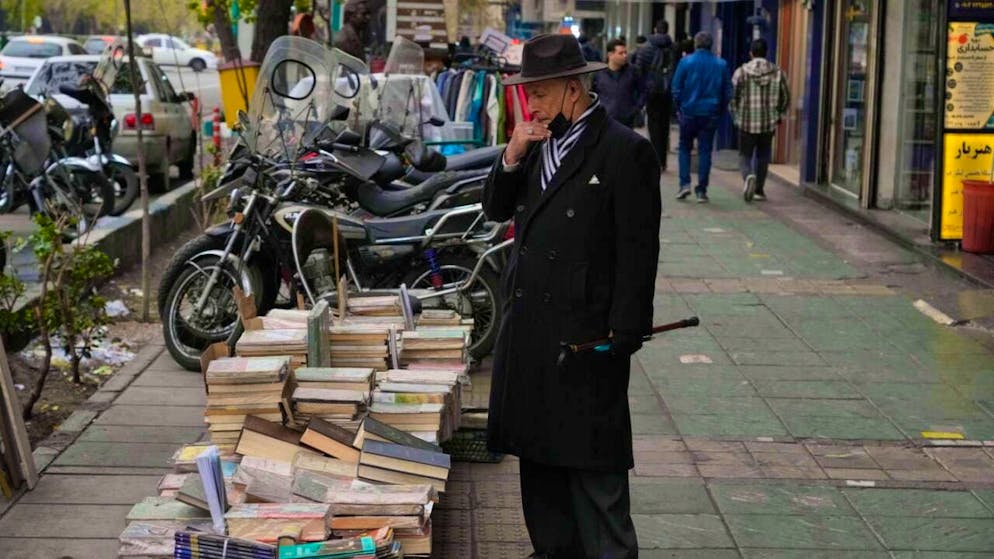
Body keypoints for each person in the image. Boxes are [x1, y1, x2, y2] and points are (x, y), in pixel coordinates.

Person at [483, 33, 661, 559]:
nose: (529, 104)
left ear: (573, 88)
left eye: (538, 92)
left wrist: (623, 336)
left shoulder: (626, 150)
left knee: (598, 496)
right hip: (532, 344)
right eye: (525, 93)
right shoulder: (535, 144)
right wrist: (512, 154)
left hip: (586, 347)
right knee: (544, 499)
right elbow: (496, 209)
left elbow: (638, 252)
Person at [670, 31, 732, 203]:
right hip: (710, 112)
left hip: (689, 112)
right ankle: (702, 190)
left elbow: (676, 87)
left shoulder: (685, 62)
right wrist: (720, 110)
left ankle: (684, 184)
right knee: (705, 150)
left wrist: (679, 108)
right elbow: (727, 91)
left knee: (684, 148)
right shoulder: (721, 64)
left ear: (696, 44)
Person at [731, 38, 790, 202]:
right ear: (766, 53)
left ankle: (748, 176)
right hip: (768, 122)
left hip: (746, 120)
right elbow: (786, 97)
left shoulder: (741, 72)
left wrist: (735, 115)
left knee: (744, 155)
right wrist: (779, 114)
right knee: (763, 155)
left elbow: (733, 97)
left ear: (751, 53)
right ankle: (759, 190)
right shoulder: (778, 72)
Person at [635, 19, 676, 171]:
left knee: (653, 125)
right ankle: (663, 161)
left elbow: (639, 71)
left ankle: (655, 160)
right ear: (667, 30)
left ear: (654, 29)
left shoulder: (645, 48)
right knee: (665, 126)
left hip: (651, 91)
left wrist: (642, 89)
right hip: (667, 91)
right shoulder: (673, 47)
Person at [592, 39, 643, 128]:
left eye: (625, 52)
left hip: (627, 121)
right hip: (605, 120)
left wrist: (636, 109)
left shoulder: (633, 72)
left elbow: (643, 91)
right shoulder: (599, 73)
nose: (625, 56)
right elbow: (591, 94)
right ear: (610, 55)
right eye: (621, 53)